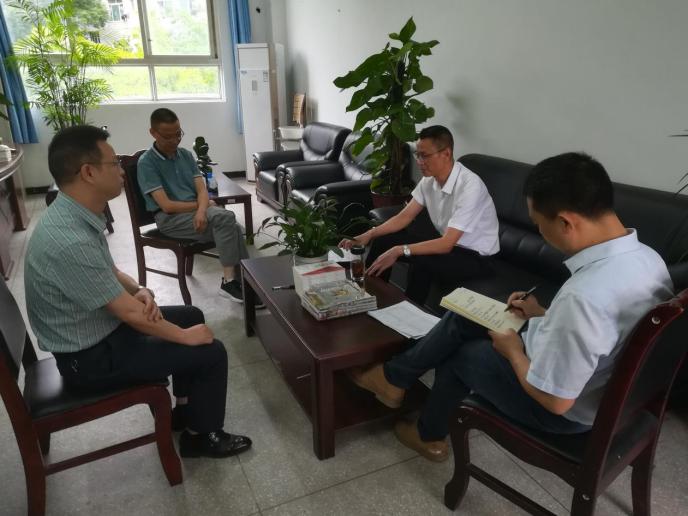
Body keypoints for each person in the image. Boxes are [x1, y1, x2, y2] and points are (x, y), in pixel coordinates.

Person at [350, 152, 673, 462]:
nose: (541, 234)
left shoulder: (584, 296)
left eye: (538, 224)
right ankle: (394, 378)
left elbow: (557, 401)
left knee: (461, 354)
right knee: (464, 318)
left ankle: (427, 434)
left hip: (565, 412)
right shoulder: (648, 258)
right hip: (597, 380)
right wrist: (542, 314)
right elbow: (606, 331)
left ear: (565, 222)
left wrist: (514, 352)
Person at [24, 125, 252, 459]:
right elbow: (131, 315)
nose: (121, 171)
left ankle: (186, 412)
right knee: (210, 350)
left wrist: (139, 288)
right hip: (89, 361)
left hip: (98, 333)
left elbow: (109, 271)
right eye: (114, 163)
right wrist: (186, 338)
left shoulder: (73, 213)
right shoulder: (69, 240)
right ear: (88, 173)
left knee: (191, 315)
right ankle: (203, 437)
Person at [340, 125, 500, 306]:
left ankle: (409, 314)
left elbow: (446, 244)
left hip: (476, 258)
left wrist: (399, 250)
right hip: (450, 247)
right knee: (384, 240)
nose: (419, 161)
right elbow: (404, 217)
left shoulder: (470, 186)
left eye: (425, 156)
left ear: (446, 154)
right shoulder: (429, 180)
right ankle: (369, 297)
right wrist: (369, 234)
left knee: (423, 260)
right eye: (418, 155)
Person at [137, 108, 249, 302]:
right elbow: (167, 206)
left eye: (178, 134)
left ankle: (243, 281)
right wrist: (202, 207)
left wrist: (202, 209)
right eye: (168, 136)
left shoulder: (186, 155)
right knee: (226, 218)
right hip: (170, 220)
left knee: (232, 227)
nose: (175, 141)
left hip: (194, 213)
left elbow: (202, 190)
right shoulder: (147, 163)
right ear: (153, 133)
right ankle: (232, 281)